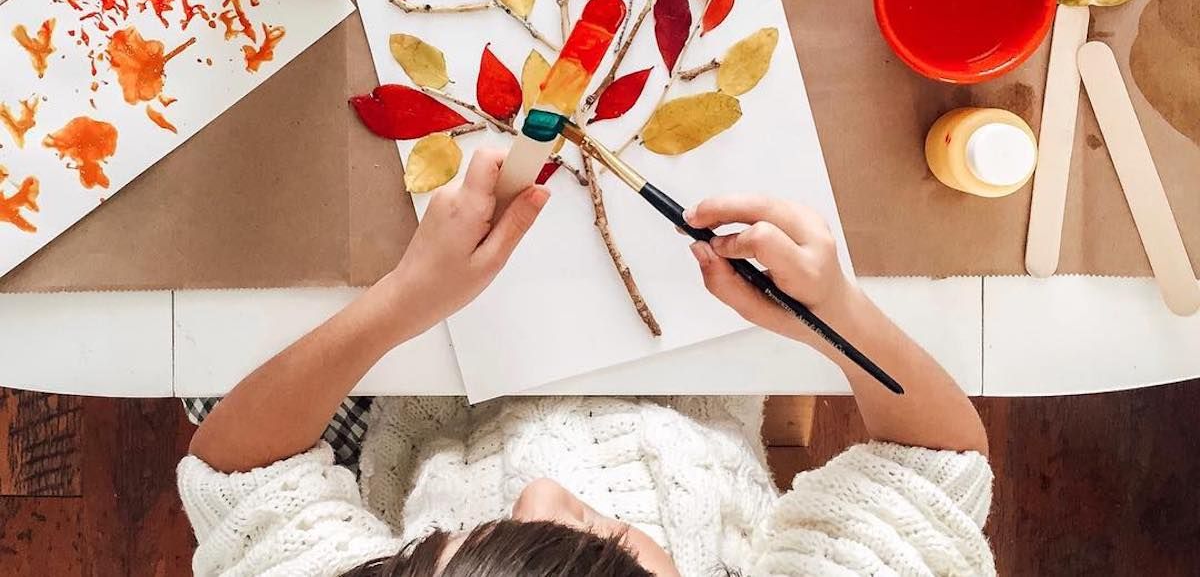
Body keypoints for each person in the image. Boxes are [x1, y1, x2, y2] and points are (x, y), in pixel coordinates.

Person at [177, 149, 995, 576]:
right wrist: (829, 317)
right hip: (691, 377)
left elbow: (240, 472)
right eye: (603, 541)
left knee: (205, 365)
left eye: (456, 540)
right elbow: (933, 460)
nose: (540, 490)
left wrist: (405, 298)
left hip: (419, 411)